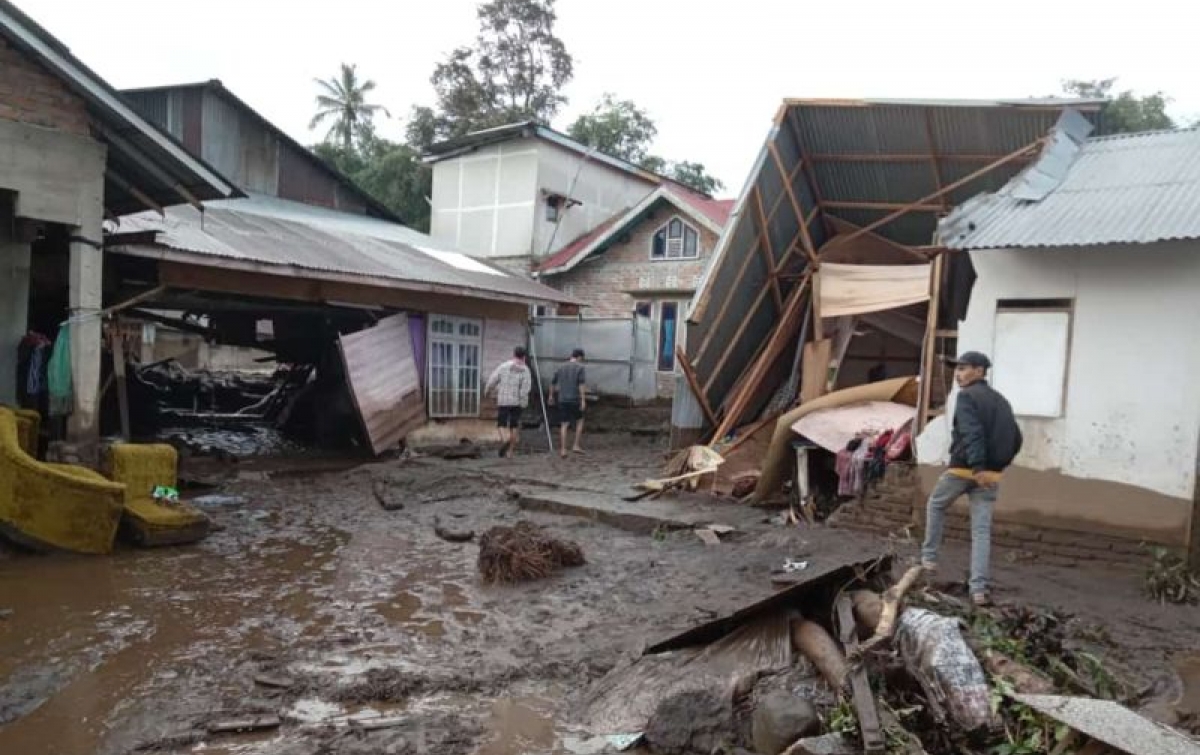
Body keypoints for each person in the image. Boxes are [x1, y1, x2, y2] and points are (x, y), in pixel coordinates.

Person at [920, 351, 1022, 607]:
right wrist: (996, 468)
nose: (958, 374)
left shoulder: (966, 397)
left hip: (964, 470)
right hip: (990, 476)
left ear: (979, 371)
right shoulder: (1001, 401)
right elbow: (1016, 438)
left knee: (935, 505)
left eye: (964, 368)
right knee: (981, 531)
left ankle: (928, 561)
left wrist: (977, 467)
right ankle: (978, 590)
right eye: (957, 369)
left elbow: (971, 432)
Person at [485, 346, 532, 459]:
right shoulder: (525, 370)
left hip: (504, 400)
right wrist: (523, 402)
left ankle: (504, 439)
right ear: (524, 356)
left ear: (514, 354)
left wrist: (487, 391)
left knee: (501, 423)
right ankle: (510, 452)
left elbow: (493, 379)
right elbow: (526, 388)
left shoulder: (504, 366)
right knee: (514, 426)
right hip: (516, 402)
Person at [548, 348, 587, 458]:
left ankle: (563, 449)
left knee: (564, 424)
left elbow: (553, 382)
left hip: (562, 399)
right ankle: (576, 445)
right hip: (575, 399)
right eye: (582, 359)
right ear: (579, 357)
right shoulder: (580, 368)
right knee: (580, 420)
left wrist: (551, 396)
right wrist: (583, 400)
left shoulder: (560, 367)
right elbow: (581, 384)